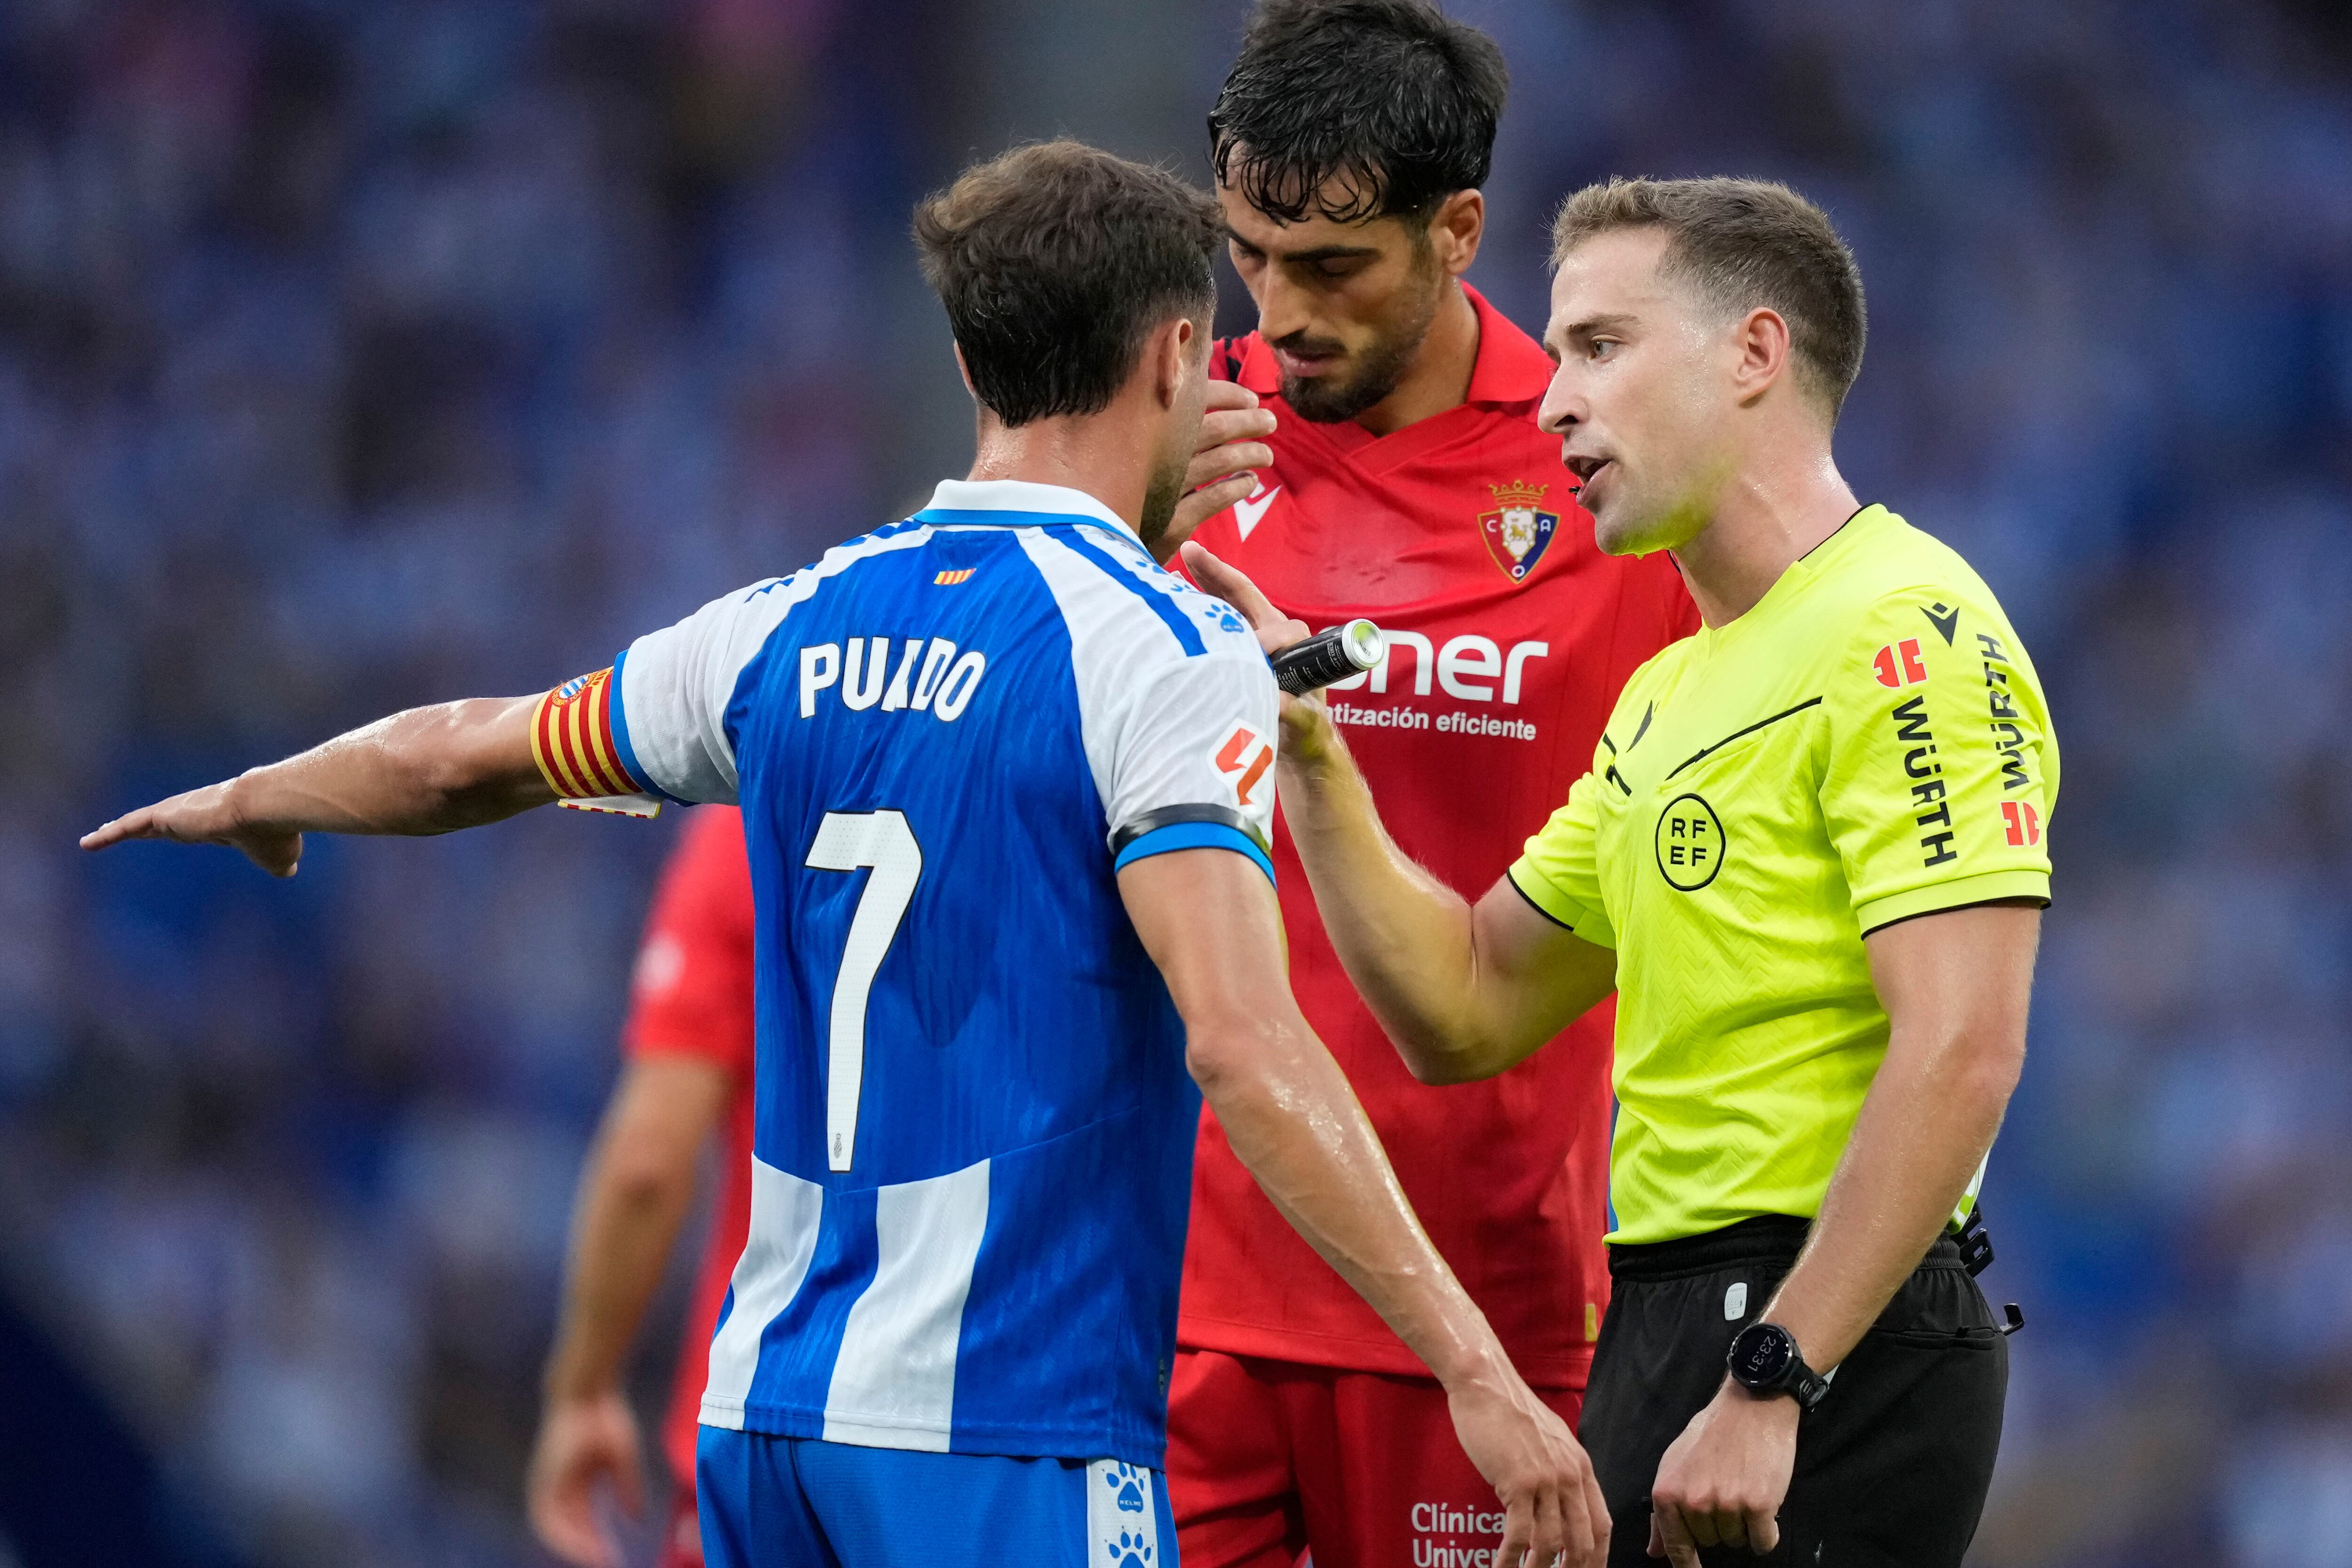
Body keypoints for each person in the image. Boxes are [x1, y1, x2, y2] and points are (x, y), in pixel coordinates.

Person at [82, 140, 1605, 1568]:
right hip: (1009, 1435)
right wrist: (1469, 1360)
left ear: (966, 362)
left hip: (768, 1424)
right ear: (1173, 361)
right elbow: (1244, 1047)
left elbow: (462, 751)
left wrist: (257, 791)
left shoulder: (790, 621)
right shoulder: (1165, 650)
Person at [1185, 175, 2057, 1568]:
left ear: (1754, 355)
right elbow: (1464, 1004)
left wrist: (1780, 1372)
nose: (1551, 402)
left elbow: (1963, 1048)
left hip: (1822, 1332)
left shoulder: (1909, 628)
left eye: (1600, 346)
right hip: (1655, 1318)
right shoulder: (1671, 688)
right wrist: (1307, 738)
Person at [1162, 7, 1695, 1567]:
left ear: (1461, 229)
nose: (1280, 311)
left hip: (1494, 1314)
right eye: (1251, 255)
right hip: (1183, 1292)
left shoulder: (1606, 484)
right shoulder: (1177, 447)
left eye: (1334, 268)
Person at [528, 806, 756, 1568]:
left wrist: (581, 1389)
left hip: (769, 1433)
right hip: (1035, 1441)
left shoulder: (749, 814)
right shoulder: (1072, 766)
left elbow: (647, 1161)